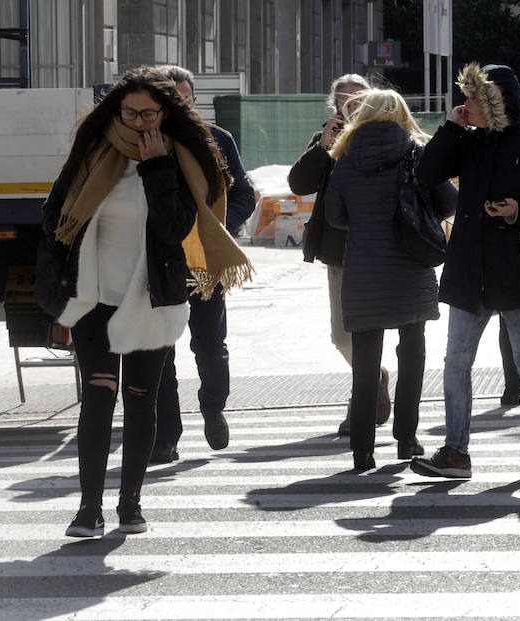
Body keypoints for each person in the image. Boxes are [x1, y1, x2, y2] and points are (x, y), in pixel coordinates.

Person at [39, 66, 252, 537]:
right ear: (115, 111)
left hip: (154, 298)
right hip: (95, 300)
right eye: (130, 112)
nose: (139, 122)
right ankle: (88, 509)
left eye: (149, 113)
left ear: (165, 112)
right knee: (97, 401)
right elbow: (54, 214)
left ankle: (130, 505)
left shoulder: (177, 159)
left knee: (141, 401)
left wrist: (156, 169)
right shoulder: (91, 153)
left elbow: (176, 229)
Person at [411, 62, 520, 479]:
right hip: (468, 272)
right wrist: (450, 127)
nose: (466, 104)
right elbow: (426, 175)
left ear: (497, 102)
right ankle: (456, 453)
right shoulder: (467, 142)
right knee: (455, 363)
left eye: (475, 98)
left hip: (517, 275)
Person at [324, 88, 457, 471]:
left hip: (364, 271)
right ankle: (406, 439)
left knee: (365, 364)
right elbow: (449, 202)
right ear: (402, 114)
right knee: (412, 355)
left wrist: (367, 225)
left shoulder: (346, 158)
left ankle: (362, 450)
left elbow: (335, 216)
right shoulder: (417, 154)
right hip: (410, 267)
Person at [151, 65, 257, 464]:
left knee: (210, 346)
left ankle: (213, 407)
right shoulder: (145, 143)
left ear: (193, 100)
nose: (176, 105)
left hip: (203, 262)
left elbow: (244, 194)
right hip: (159, 260)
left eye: (182, 97)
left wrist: (217, 227)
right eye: (167, 99)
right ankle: (166, 437)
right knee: (161, 352)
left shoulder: (217, 140)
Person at [288, 74, 393, 435]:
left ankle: (360, 407)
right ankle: (375, 377)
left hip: (384, 250)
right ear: (334, 107)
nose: (352, 107)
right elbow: (299, 185)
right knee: (342, 335)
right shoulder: (326, 139)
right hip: (340, 250)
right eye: (345, 101)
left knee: (375, 331)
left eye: (359, 99)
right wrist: (325, 147)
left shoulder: (389, 134)